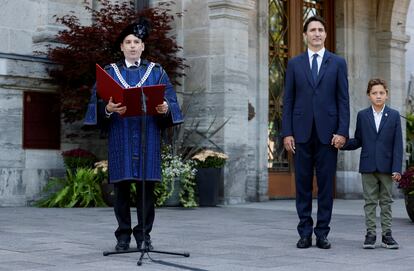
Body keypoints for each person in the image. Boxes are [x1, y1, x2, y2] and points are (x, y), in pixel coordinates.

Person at [84, 18, 183, 251]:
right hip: (121, 136)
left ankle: (144, 236)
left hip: (148, 134)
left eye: (136, 41)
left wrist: (165, 108)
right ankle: (123, 237)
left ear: (142, 46)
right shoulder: (109, 72)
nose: (131, 45)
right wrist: (107, 109)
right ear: (121, 47)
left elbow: (172, 102)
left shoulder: (157, 72)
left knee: (146, 190)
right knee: (121, 189)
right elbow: (95, 103)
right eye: (127, 42)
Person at [281, 15, 350, 249]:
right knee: (302, 185)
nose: (317, 33)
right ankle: (304, 232)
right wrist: (287, 132)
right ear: (305, 35)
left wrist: (342, 131)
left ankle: (322, 233)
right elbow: (288, 100)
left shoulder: (338, 63)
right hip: (300, 134)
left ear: (325, 34)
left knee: (325, 186)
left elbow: (343, 100)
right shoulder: (294, 64)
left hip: (328, 135)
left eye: (321, 29)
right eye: (312, 30)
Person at [339, 78, 402, 249]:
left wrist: (397, 168)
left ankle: (387, 235)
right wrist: (343, 143)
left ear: (387, 95)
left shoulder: (394, 116)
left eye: (381, 93)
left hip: (387, 167)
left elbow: (398, 145)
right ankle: (371, 234)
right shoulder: (362, 115)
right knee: (370, 201)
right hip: (368, 166)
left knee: (386, 201)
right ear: (369, 96)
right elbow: (359, 140)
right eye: (374, 93)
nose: (378, 96)